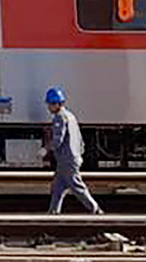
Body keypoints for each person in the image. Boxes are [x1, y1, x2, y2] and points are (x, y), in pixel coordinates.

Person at [43, 87, 102, 215]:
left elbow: (58, 140)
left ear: (57, 104)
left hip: (67, 159)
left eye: (50, 104)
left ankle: (95, 209)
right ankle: (53, 212)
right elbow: (80, 139)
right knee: (58, 187)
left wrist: (46, 149)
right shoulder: (71, 116)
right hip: (71, 157)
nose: (48, 107)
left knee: (76, 186)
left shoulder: (60, 117)